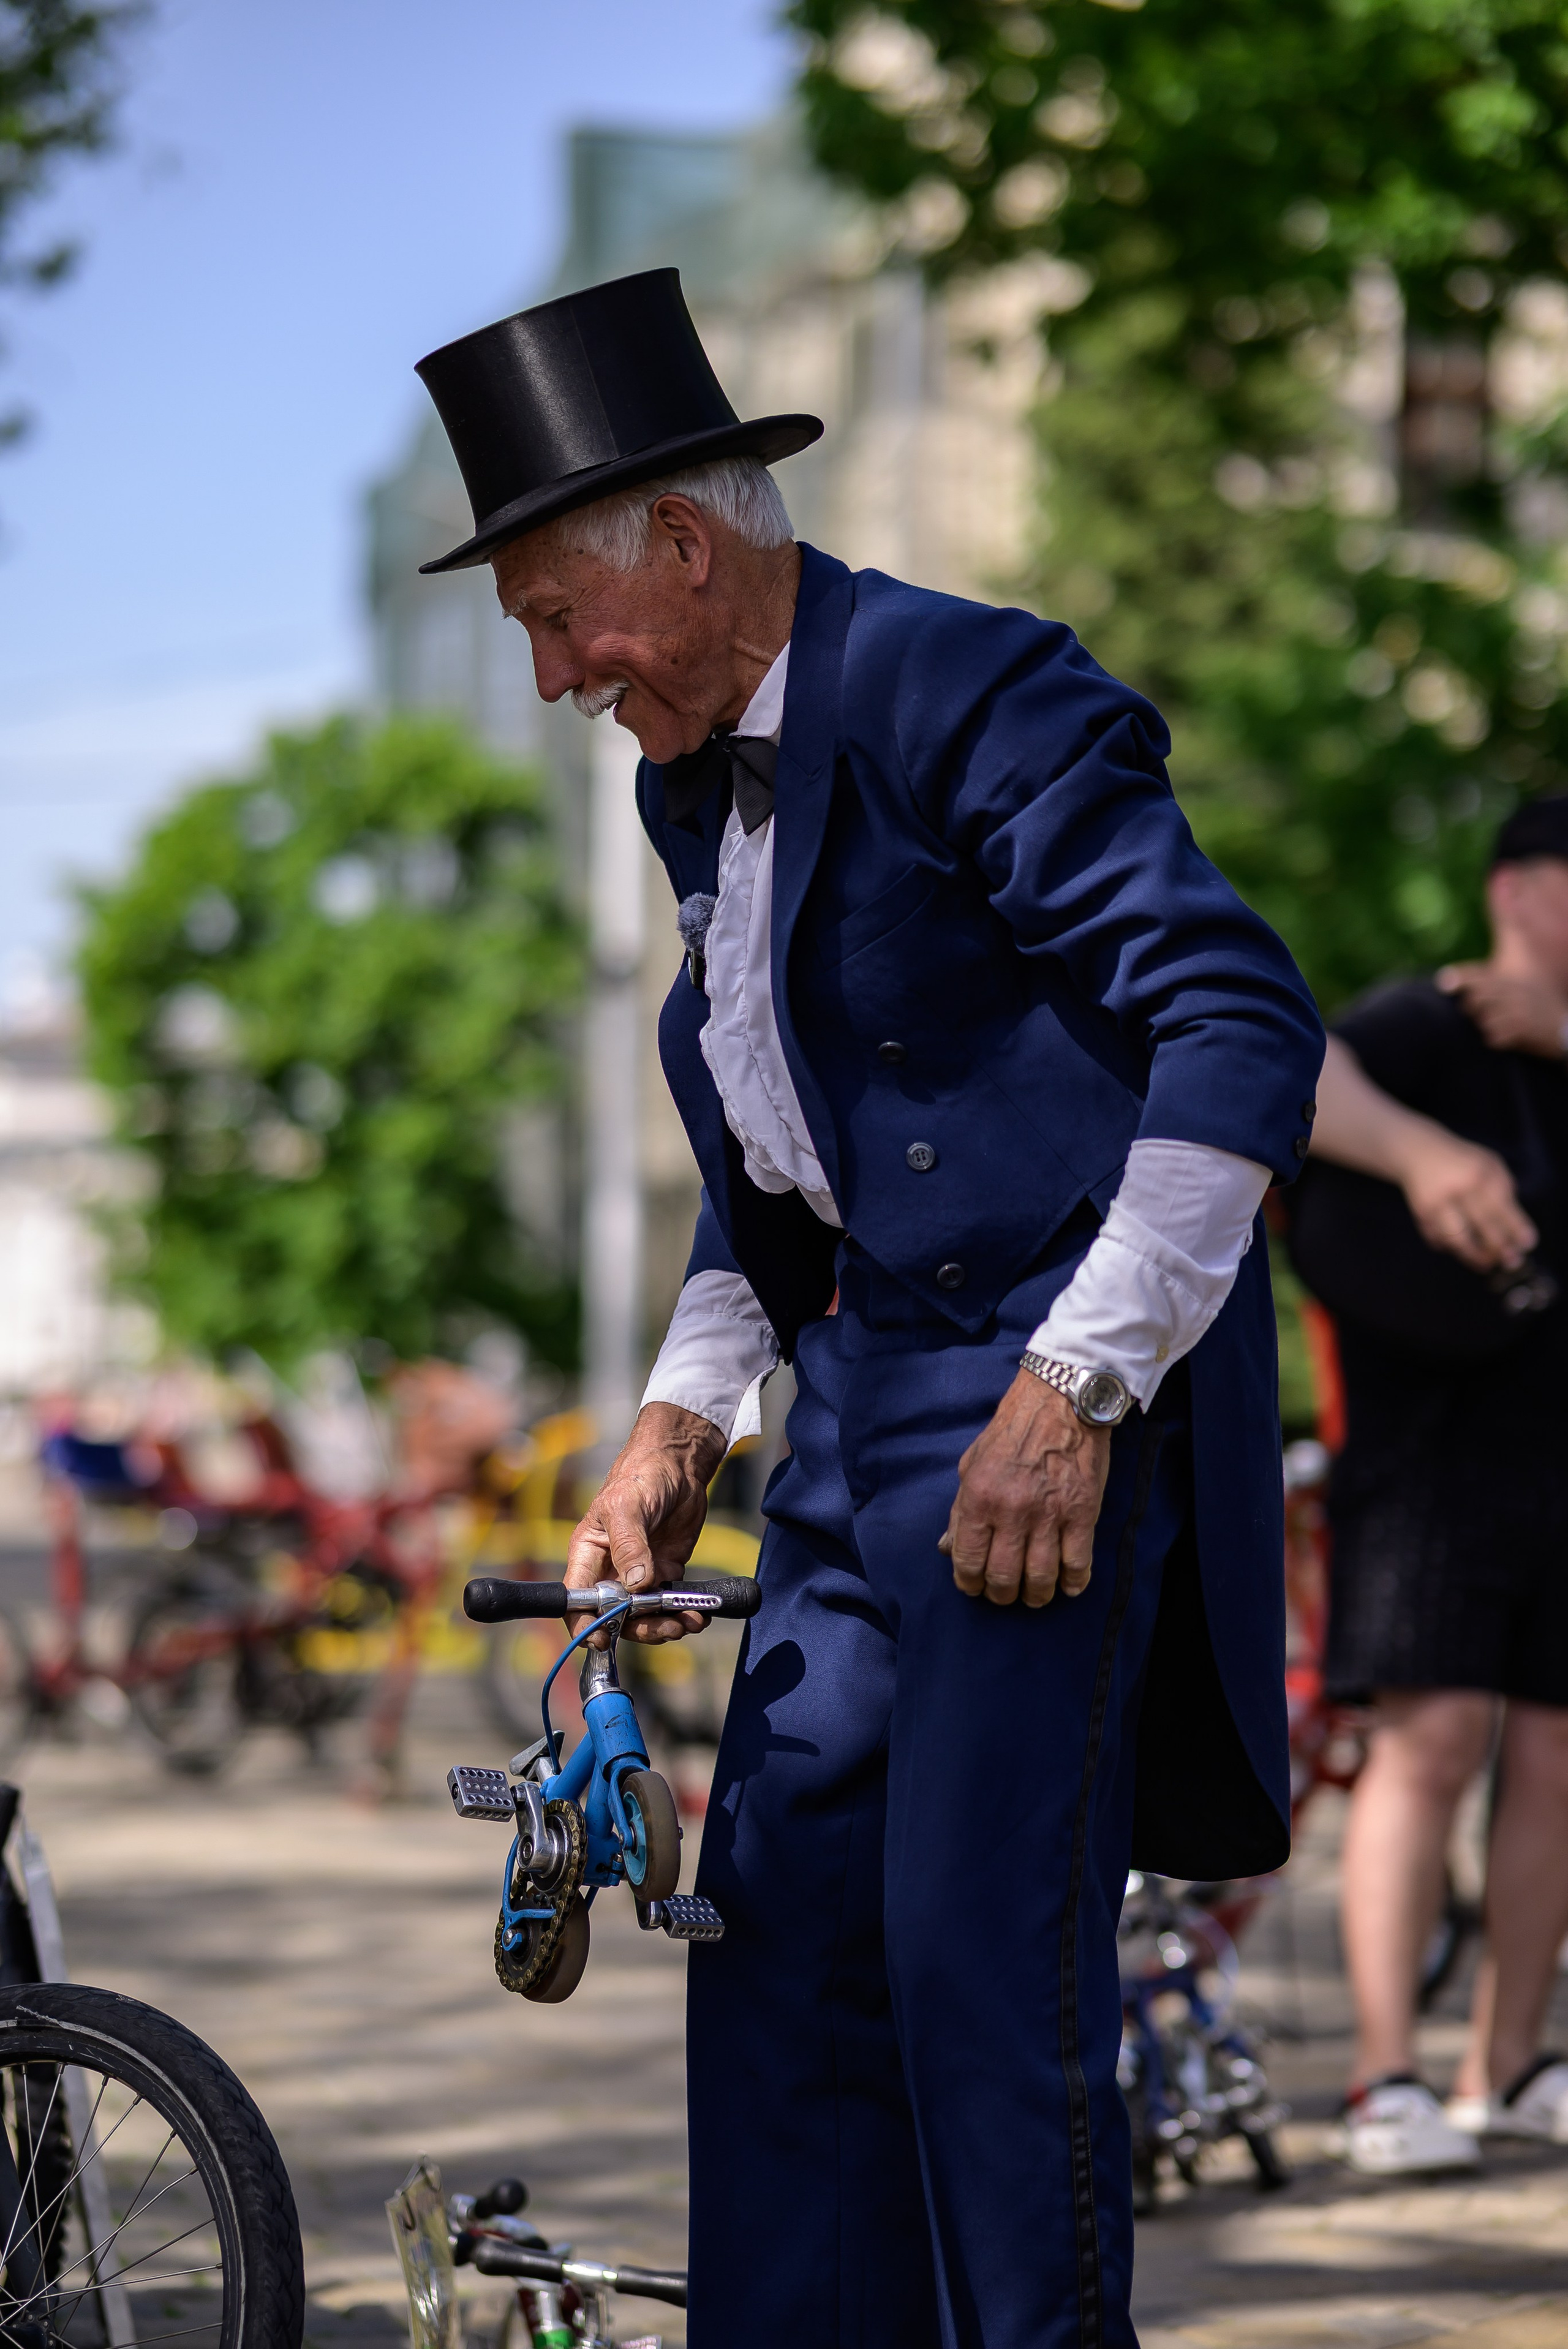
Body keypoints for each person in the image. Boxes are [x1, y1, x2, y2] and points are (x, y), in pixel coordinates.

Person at [413, 268, 1323, 2349]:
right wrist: (676, 1427)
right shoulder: (682, 773)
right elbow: (788, 1156)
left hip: (1045, 1396)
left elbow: (1238, 1020)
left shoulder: (962, 682)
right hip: (856, 1414)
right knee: (780, 1938)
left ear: (692, 545)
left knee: (974, 1972)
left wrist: (1078, 1389)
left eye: (561, 621)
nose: (556, 677)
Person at [1303, 795, 1568, 2176]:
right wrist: (1424, 1154)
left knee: (1552, 1753)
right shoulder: (1418, 1026)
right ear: (1517, 889)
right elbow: (1284, 1080)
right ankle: (1380, 2075)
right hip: (1422, 1457)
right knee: (1430, 1740)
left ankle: (1507, 2060)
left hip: (1554, 1453)